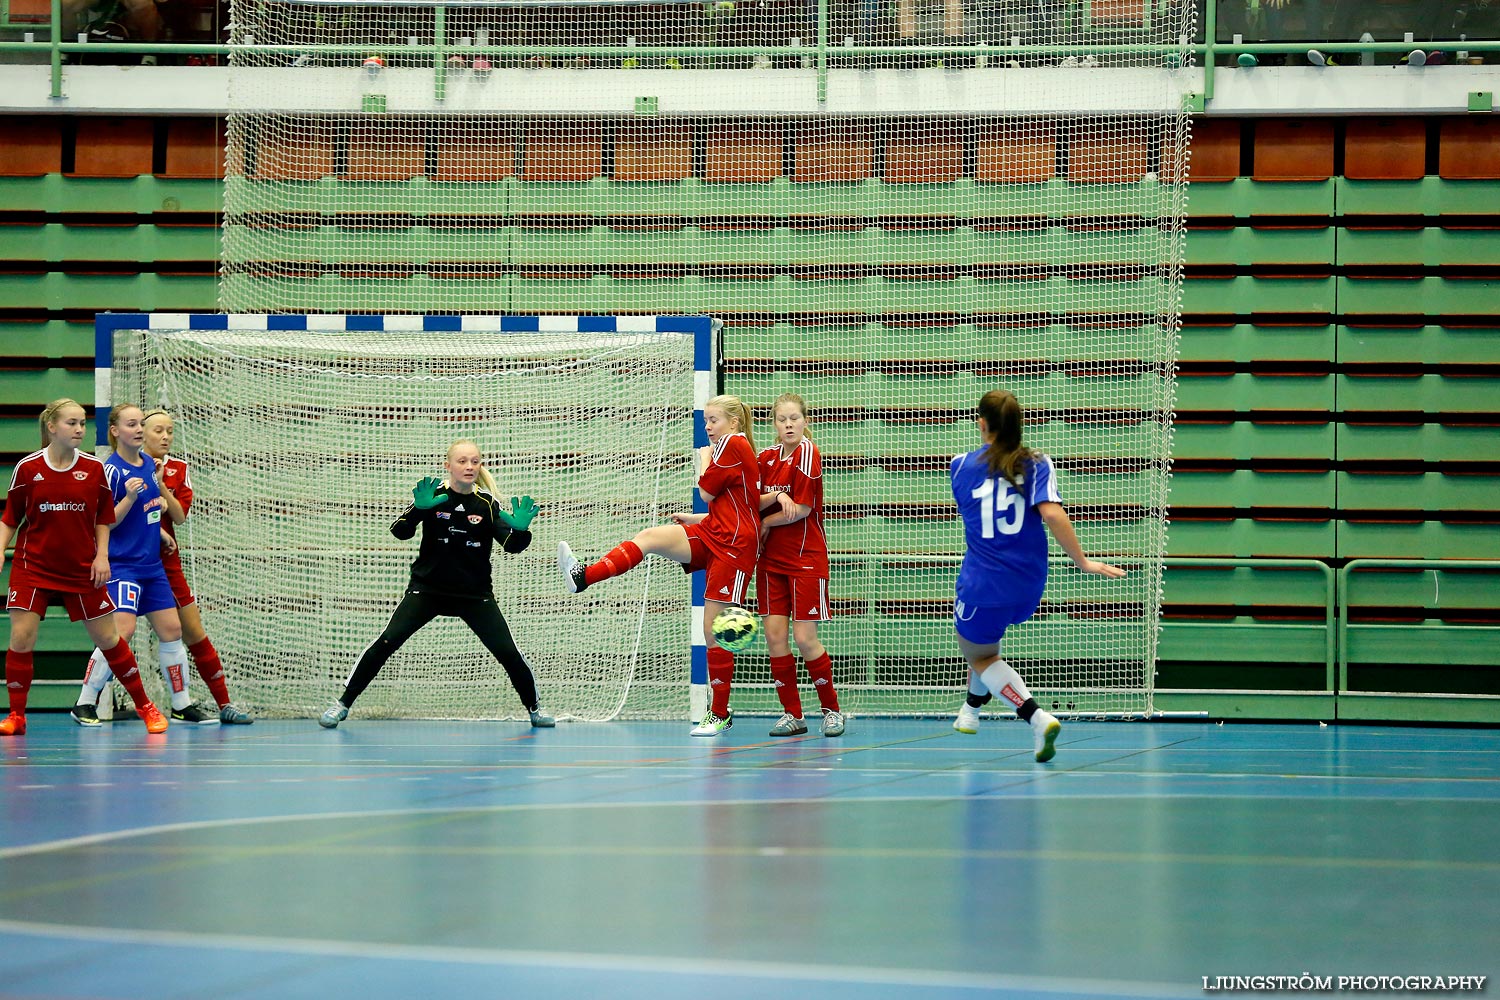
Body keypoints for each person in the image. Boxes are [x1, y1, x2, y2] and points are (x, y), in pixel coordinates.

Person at [558, 394, 760, 737]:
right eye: (706, 421)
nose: (708, 427)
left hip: (734, 547)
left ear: (734, 423)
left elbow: (708, 492)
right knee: (651, 536)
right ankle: (583, 577)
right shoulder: (734, 447)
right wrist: (695, 519)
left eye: (714, 420)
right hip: (714, 530)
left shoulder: (731, 445)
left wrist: (704, 459)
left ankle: (720, 713)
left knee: (713, 631)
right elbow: (734, 504)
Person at [319, 440, 553, 729]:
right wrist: (418, 511)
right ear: (448, 466)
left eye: (475, 461)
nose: (469, 467)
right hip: (427, 590)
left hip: (474, 595)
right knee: (386, 642)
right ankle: (342, 704)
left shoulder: (487, 504)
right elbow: (400, 531)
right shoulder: (433, 497)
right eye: (462, 461)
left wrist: (521, 530)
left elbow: (512, 545)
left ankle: (535, 709)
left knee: (507, 651)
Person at [949, 389, 1126, 762]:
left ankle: (1035, 717)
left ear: (982, 424)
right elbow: (1053, 514)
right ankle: (970, 711)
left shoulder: (961, 466)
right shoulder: (1038, 462)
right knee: (986, 647)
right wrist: (1084, 562)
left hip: (984, 581)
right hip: (1029, 582)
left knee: (979, 655)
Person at [72, 409, 254, 725]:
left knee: (172, 630)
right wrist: (126, 505)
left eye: (142, 424)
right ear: (115, 431)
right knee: (120, 633)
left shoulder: (149, 467)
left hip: (153, 566)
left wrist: (159, 532)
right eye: (134, 425)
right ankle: (85, 702)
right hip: (124, 565)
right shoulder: (111, 472)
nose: (140, 430)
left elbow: (150, 510)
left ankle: (181, 704)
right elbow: (102, 521)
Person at [1, 399, 168, 735]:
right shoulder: (28, 468)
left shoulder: (93, 469)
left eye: (82, 423)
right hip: (33, 566)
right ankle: (17, 716)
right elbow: (10, 519)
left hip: (82, 568)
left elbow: (104, 518)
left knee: (110, 639)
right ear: (52, 427)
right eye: (72, 423)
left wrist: (102, 556)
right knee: (21, 638)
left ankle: (146, 706)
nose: (79, 429)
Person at [756, 393, 845, 738]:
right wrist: (768, 511)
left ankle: (831, 710)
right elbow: (753, 503)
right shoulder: (765, 458)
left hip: (806, 557)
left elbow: (802, 510)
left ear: (805, 421)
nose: (789, 424)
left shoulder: (808, 452)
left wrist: (764, 521)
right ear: (774, 424)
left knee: (805, 638)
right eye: (782, 419)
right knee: (774, 636)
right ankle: (793, 714)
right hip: (770, 561)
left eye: (794, 418)